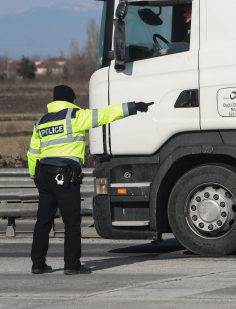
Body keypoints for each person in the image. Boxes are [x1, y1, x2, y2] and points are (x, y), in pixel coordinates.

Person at [28, 85, 152, 275]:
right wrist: (133, 107)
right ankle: (72, 265)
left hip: (44, 175)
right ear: (70, 99)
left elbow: (33, 153)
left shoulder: (41, 122)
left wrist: (33, 176)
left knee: (43, 221)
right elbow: (105, 114)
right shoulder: (74, 116)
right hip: (64, 174)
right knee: (71, 222)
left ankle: (38, 264)